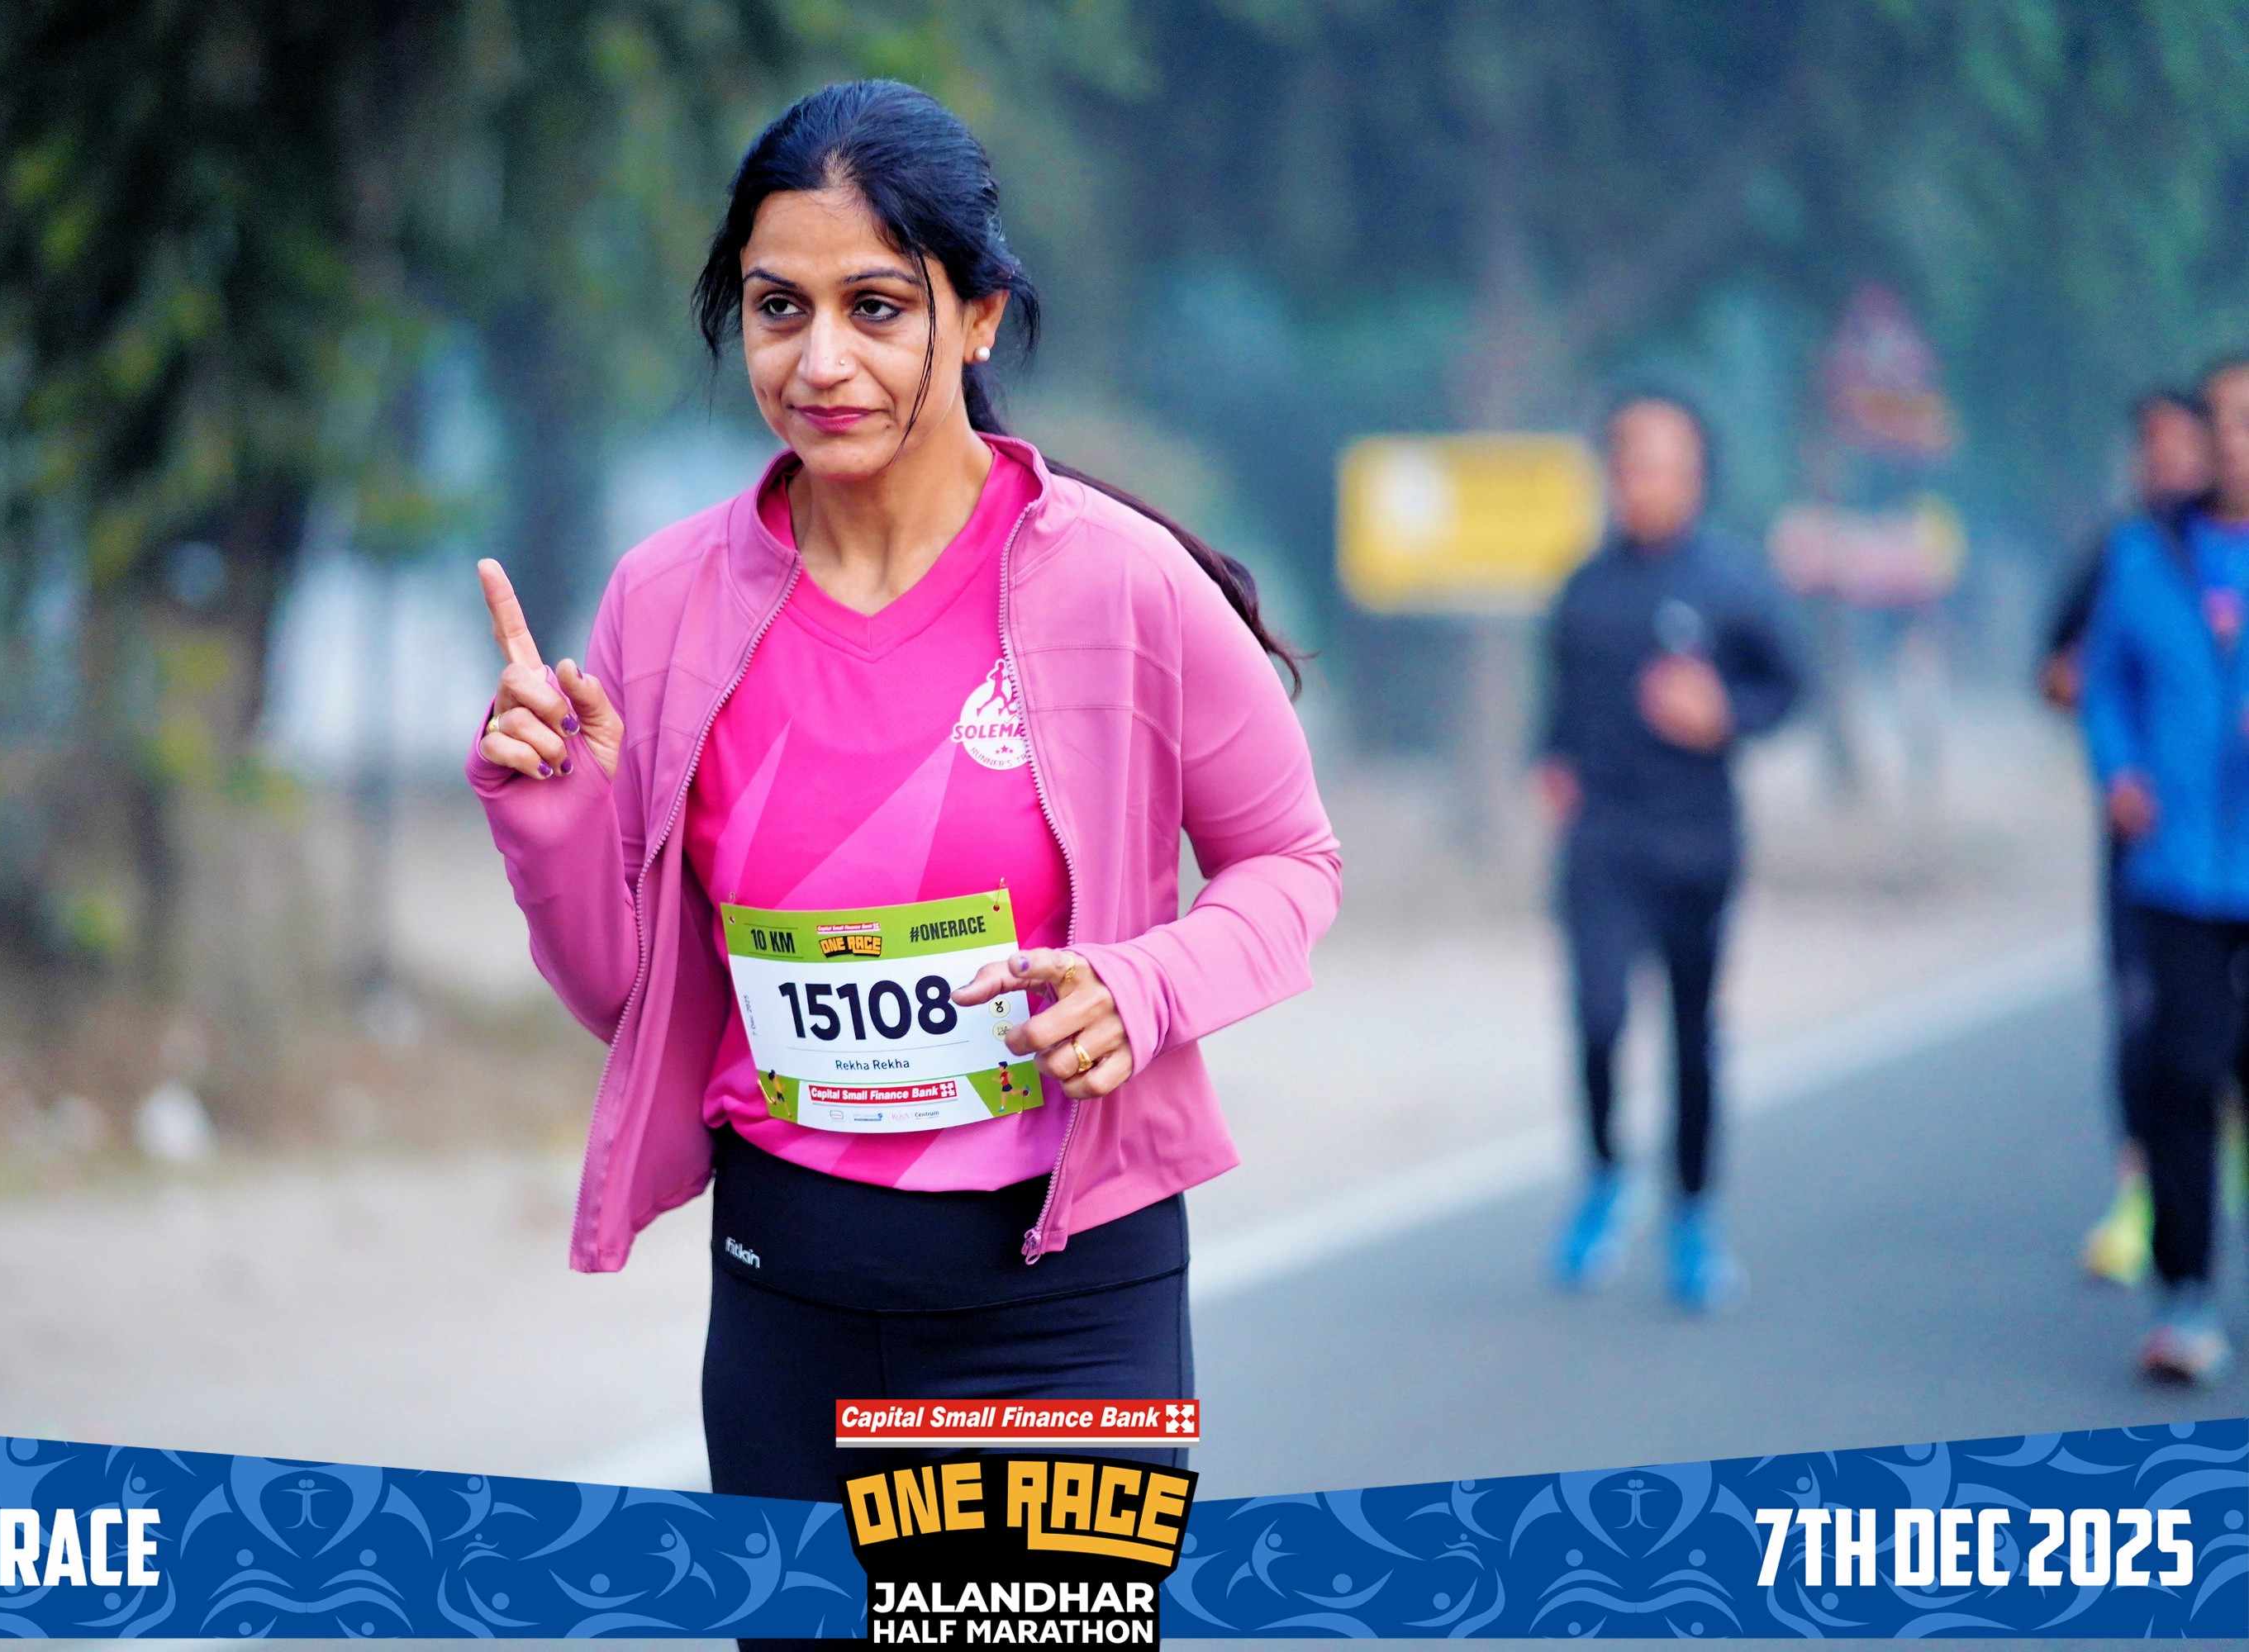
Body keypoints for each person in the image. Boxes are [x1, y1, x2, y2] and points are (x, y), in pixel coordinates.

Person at [464, 78, 1340, 1541]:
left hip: (1062, 1309)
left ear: (978, 316)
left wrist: (1144, 985)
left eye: (876, 307)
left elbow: (1291, 862)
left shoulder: (1120, 583)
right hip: (787, 1304)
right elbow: (631, 997)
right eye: (777, 308)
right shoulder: (664, 602)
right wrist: (550, 812)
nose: (821, 361)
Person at [1538, 395, 1803, 1313]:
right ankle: (1607, 1174)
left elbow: (1787, 687)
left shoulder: (1734, 583)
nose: (1641, 477)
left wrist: (1725, 711)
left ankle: (1694, 1212)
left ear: (1694, 473)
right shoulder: (1583, 587)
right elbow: (1559, 703)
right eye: (1627, 458)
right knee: (1598, 1017)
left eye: (1660, 460)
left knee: (1693, 1033)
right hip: (1602, 841)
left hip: (1696, 839)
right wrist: (1551, 763)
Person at [2082, 353, 2249, 1384]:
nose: (2236, 438)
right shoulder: (2144, 555)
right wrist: (2119, 769)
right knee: (2183, 1073)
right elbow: (2103, 681)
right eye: (2222, 418)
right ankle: (2185, 1294)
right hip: (2179, 866)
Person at [2038, 391, 2212, 1287]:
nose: (2167, 462)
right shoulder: (2122, 558)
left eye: (2185, 444)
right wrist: (2117, 758)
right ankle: (2144, 1195)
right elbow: (2067, 672)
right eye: (2152, 446)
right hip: (2151, 849)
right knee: (2149, 1027)